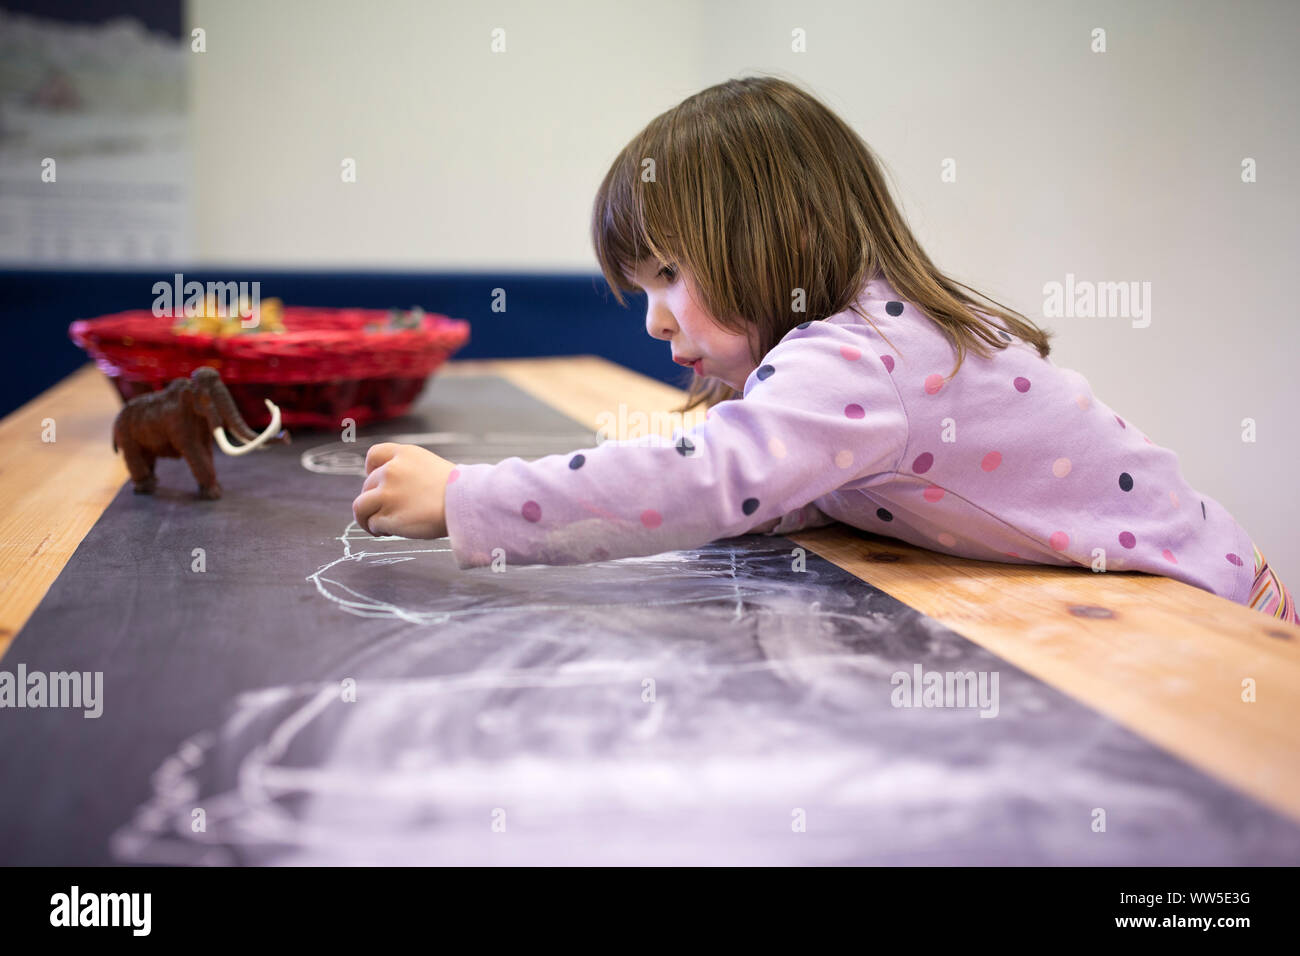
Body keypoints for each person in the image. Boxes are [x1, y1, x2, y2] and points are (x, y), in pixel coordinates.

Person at [352, 75, 1296, 624]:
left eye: (669, 274)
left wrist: (466, 499)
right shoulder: (860, 343)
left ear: (769, 237)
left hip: (1205, 611)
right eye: (641, 289)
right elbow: (785, 484)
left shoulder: (859, 359)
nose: (653, 320)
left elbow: (706, 479)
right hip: (1186, 589)